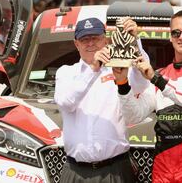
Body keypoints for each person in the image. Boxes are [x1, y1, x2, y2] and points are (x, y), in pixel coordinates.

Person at [110, 10, 182, 182]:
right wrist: (122, 84)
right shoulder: (161, 74)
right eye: (176, 33)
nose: (181, 37)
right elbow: (132, 117)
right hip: (162, 166)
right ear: (170, 37)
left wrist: (157, 79)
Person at [54, 17, 148, 183]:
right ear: (76, 44)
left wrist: (135, 42)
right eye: (85, 40)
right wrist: (93, 69)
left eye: (95, 38)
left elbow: (142, 83)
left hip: (115, 169)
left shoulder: (119, 68)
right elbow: (66, 102)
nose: (90, 44)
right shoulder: (66, 72)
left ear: (106, 40)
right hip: (75, 171)